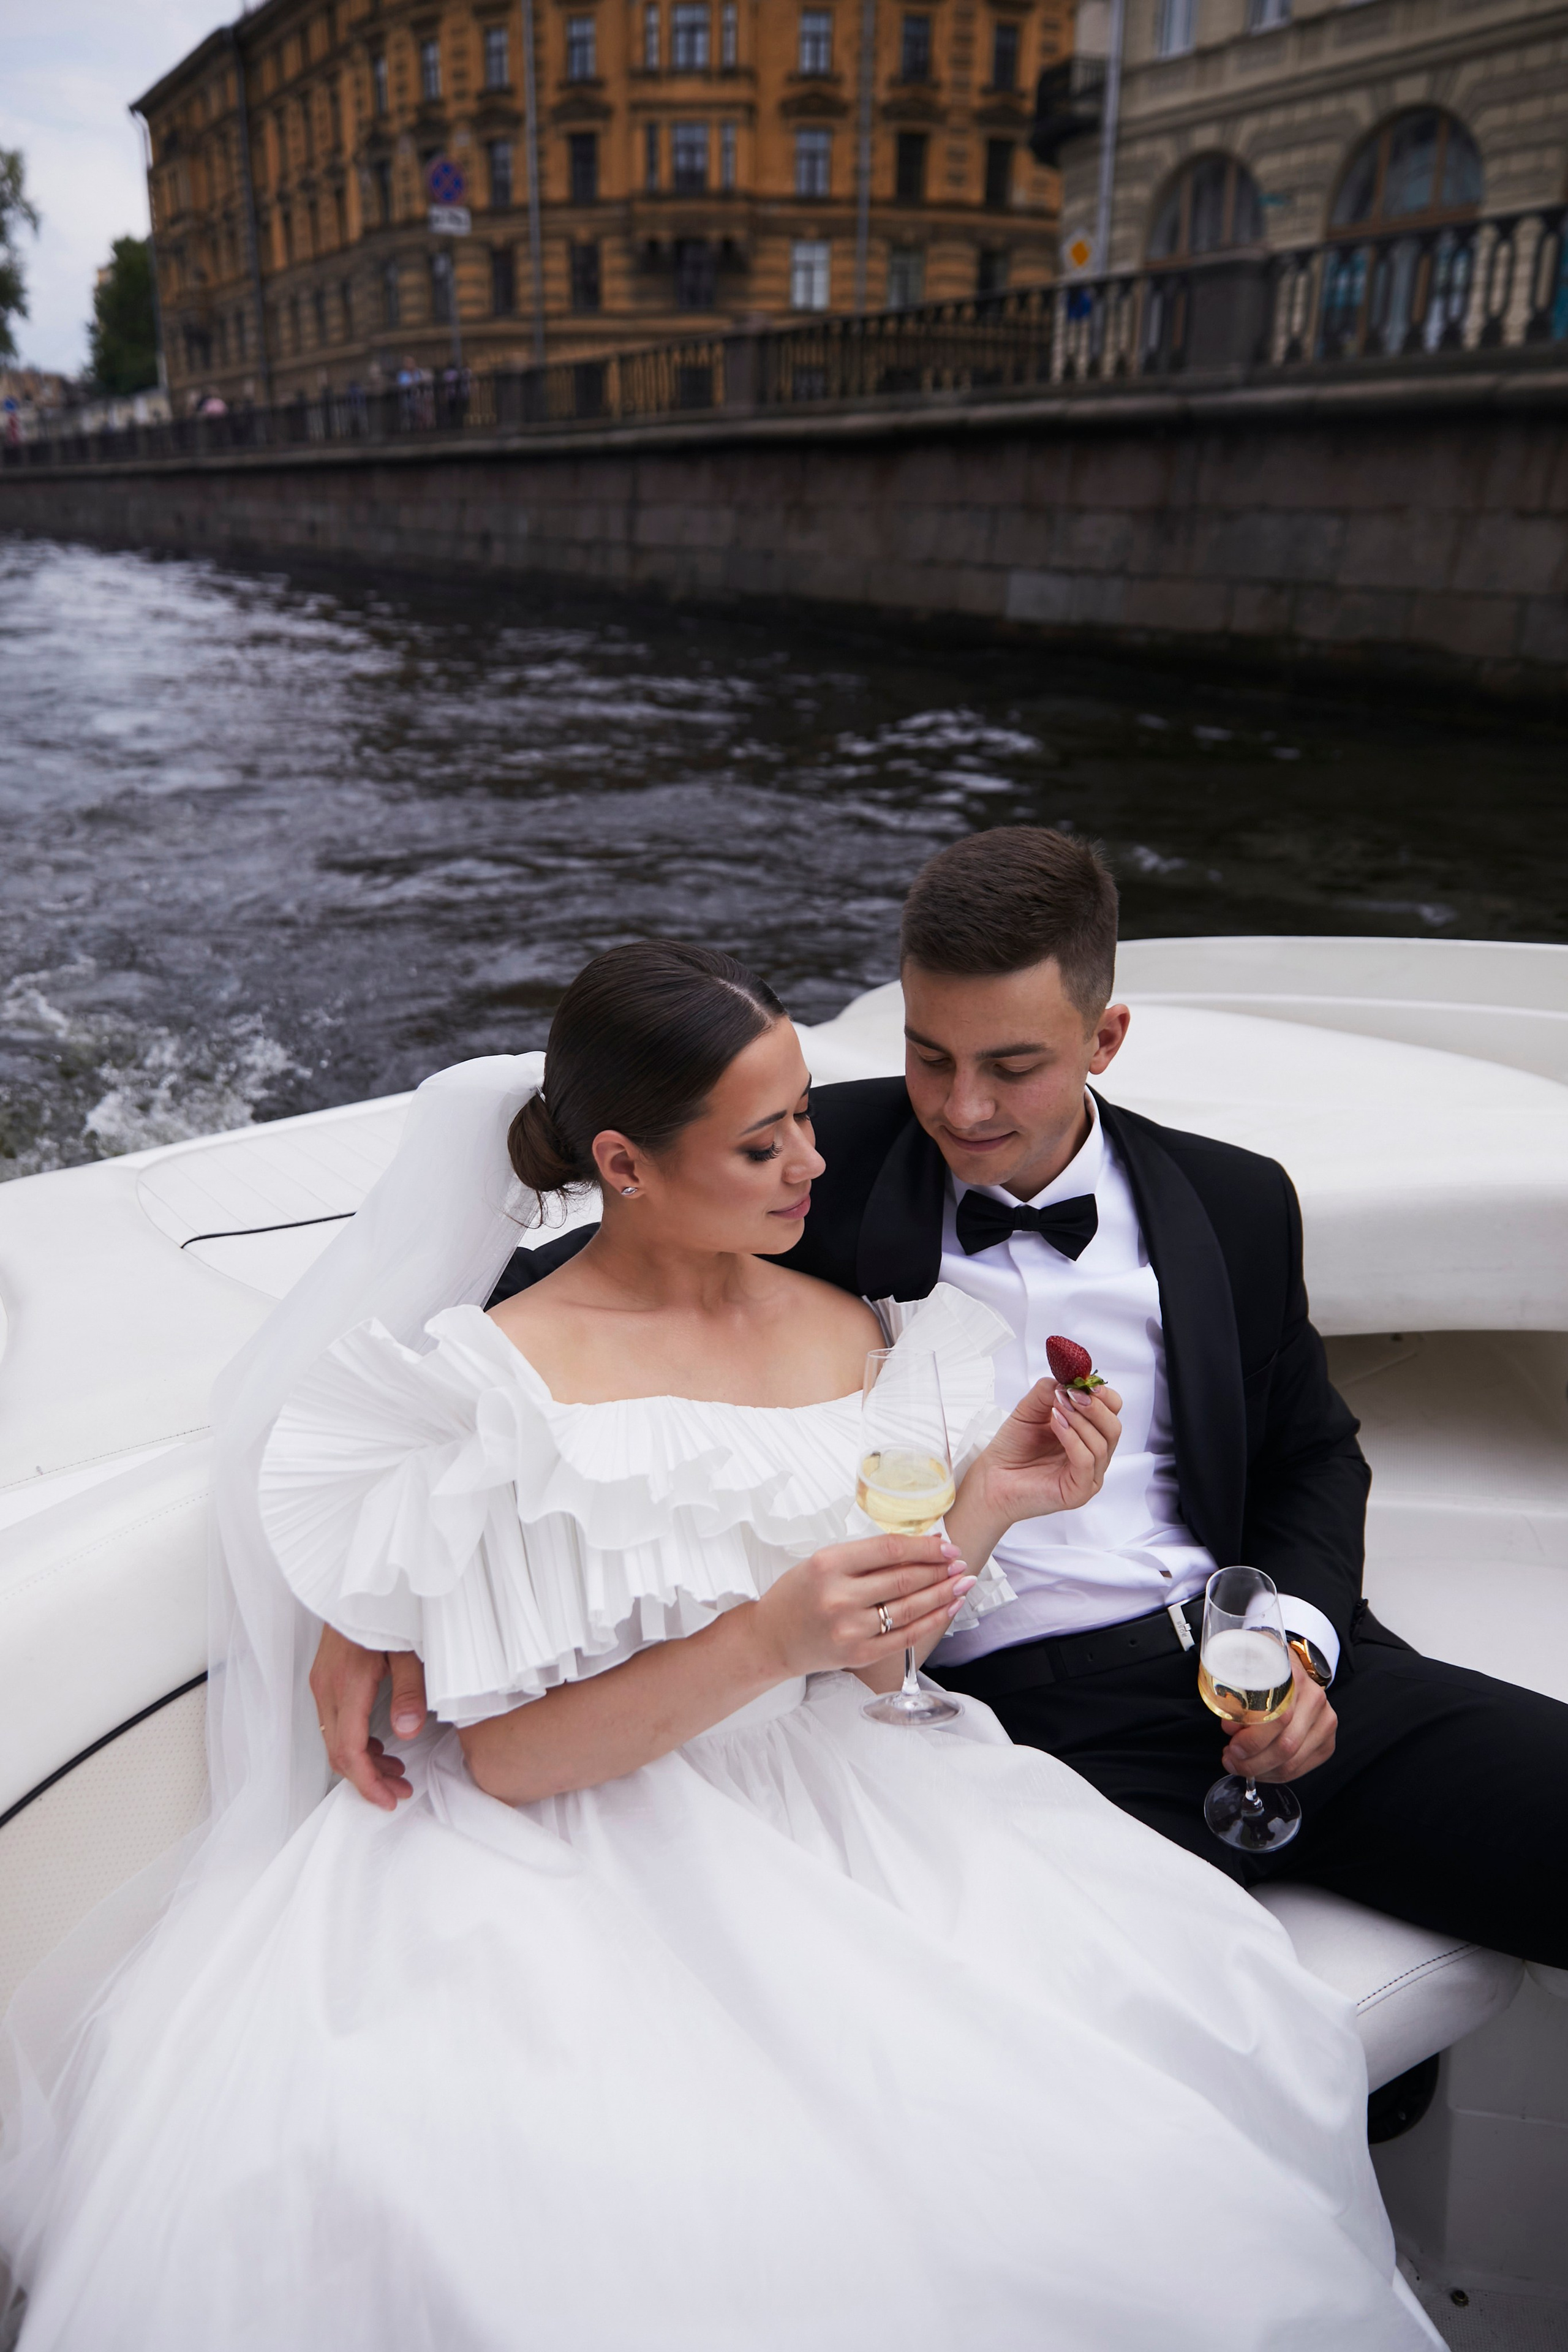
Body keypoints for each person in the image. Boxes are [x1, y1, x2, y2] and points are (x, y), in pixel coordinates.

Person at [1, 943, 1436, 2349]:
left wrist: (989, 1503)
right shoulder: (501, 1390)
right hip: (570, 1860)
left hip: (861, 1801)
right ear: (622, 1166)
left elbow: (877, 1670)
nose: (815, 1167)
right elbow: (504, 1758)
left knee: (1162, 2097)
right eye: (762, 1147)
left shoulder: (852, 1333)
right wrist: (763, 1639)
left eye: (806, 1116)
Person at [320, 829, 1567, 1967]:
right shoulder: (810, 1164)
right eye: (928, 1056)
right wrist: (377, 1588)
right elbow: (549, 1302)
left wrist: (1293, 1647)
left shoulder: (1234, 1200)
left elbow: (1311, 1453)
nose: (960, 1109)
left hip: (1244, 1659)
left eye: (1011, 1067)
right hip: (996, 1718)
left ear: (1105, 1039)